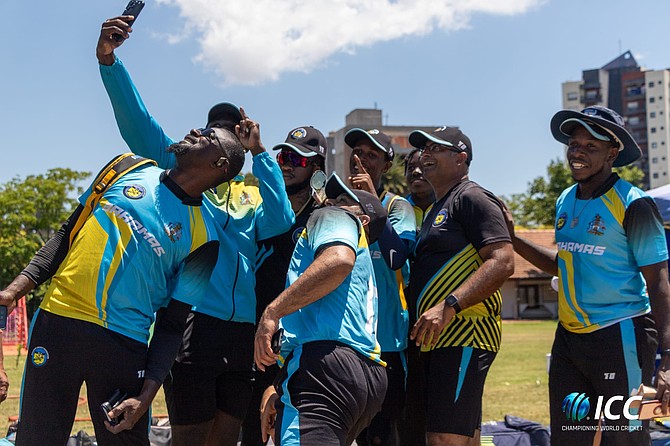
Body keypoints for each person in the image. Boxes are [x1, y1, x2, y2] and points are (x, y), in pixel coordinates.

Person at [97, 16, 294, 446]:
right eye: (211, 128)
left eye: (230, 130)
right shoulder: (184, 173)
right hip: (193, 323)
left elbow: (281, 223)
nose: (217, 132)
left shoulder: (252, 191)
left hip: (242, 328)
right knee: (189, 437)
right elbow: (140, 126)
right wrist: (110, 63)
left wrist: (260, 154)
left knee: (225, 438)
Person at [0, 127, 246, 445]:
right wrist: (13, 290)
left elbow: (173, 325)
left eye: (208, 136)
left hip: (123, 344)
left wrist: (146, 396)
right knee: (36, 439)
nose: (195, 130)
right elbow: (65, 235)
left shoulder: (205, 239)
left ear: (220, 165)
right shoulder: (126, 166)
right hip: (57, 323)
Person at [507, 106, 670, 446]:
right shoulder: (566, 199)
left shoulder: (634, 204)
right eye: (573, 144)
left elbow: (658, 282)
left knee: (626, 438)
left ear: (613, 153)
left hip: (622, 333)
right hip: (570, 338)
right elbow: (565, 263)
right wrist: (513, 237)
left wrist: (668, 359)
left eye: (589, 146)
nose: (577, 152)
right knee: (569, 437)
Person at [254, 173, 389, 446]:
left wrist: (272, 312)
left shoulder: (334, 217)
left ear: (362, 220)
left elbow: (339, 260)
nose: (329, 200)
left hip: (323, 366)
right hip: (365, 369)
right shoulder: (365, 266)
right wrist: (280, 387)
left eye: (341, 199)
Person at [408, 126, 514, 446]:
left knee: (444, 437)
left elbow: (503, 261)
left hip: (465, 333)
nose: (426, 154)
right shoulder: (438, 207)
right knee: (462, 436)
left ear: (461, 159)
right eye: (423, 148)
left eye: (436, 149)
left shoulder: (471, 197)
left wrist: (449, 305)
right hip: (439, 339)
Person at [242, 126, 327, 446]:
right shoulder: (261, 211)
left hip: (297, 342)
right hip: (252, 334)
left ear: (317, 168)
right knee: (251, 428)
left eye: (297, 159)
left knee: (288, 430)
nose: (286, 164)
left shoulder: (323, 217)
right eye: (283, 156)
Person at [346, 128, 416, 446]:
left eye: (371, 155)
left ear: (387, 166)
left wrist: (373, 203)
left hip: (387, 340)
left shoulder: (397, 207)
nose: (360, 160)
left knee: (383, 434)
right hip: (347, 340)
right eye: (357, 152)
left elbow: (396, 257)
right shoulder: (338, 206)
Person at [400, 148, 435, 446]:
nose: (416, 172)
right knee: (409, 405)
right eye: (410, 167)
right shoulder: (398, 210)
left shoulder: (455, 207)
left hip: (444, 320)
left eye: (424, 166)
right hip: (403, 319)